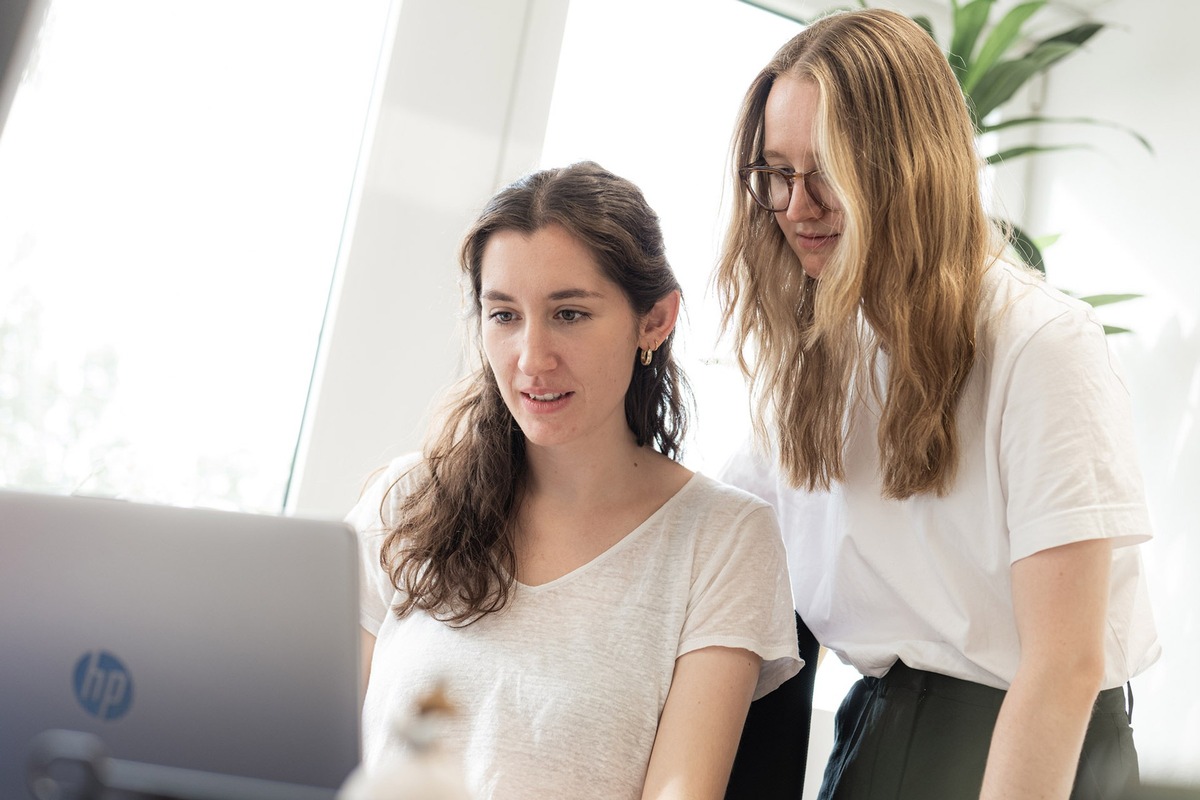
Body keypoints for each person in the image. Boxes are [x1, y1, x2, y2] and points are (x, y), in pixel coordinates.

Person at [714, 9, 1159, 800]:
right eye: (777, 172)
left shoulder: (1038, 344)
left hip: (1037, 752)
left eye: (826, 172)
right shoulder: (822, 353)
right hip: (885, 734)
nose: (795, 205)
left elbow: (1065, 665)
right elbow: (726, 537)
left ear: (907, 168)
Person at [347, 161, 801, 800]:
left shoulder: (723, 539)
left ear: (655, 321)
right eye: (504, 316)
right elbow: (307, 757)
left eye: (569, 314)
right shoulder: (405, 503)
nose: (532, 359)